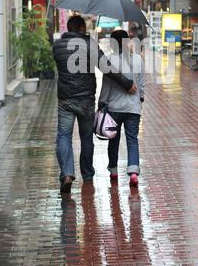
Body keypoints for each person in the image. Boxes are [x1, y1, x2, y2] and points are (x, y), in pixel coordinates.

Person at [53, 16, 137, 194]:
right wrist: (127, 83)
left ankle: (67, 174)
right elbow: (106, 67)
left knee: (63, 136)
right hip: (85, 99)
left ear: (69, 28)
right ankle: (88, 174)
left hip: (65, 99)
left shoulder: (57, 45)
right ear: (82, 28)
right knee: (85, 138)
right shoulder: (88, 44)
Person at [99, 30, 145, 187]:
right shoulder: (138, 60)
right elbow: (141, 83)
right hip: (133, 108)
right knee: (132, 139)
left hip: (114, 107)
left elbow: (106, 87)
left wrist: (102, 102)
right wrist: (140, 99)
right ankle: (133, 172)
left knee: (114, 140)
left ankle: (113, 170)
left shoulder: (109, 61)